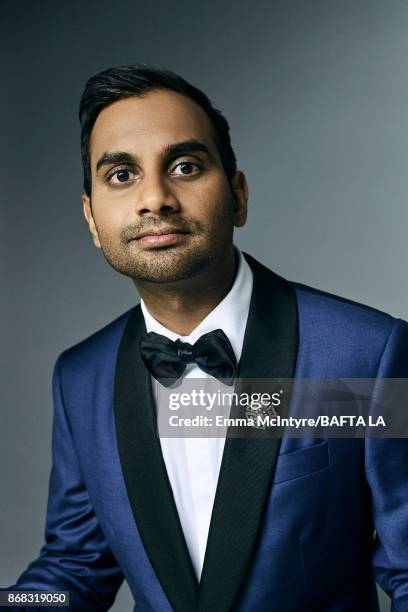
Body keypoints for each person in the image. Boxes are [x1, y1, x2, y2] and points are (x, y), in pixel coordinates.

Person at [4, 64, 408, 612]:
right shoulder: (80, 378)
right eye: (121, 175)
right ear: (93, 220)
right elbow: (72, 570)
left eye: (185, 165)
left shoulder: (367, 355)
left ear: (238, 196)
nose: (155, 199)